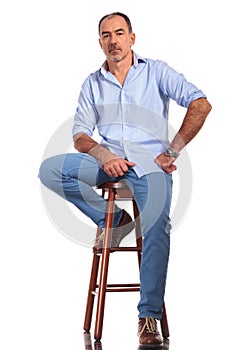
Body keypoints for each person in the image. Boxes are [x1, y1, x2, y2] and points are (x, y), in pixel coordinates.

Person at [39, 12, 211, 347]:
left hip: (151, 166)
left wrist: (172, 151)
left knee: (157, 224)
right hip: (110, 163)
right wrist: (106, 156)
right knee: (50, 170)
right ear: (100, 42)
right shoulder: (92, 83)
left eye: (119, 33)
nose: (113, 40)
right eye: (106, 35)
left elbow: (201, 104)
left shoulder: (156, 71)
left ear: (132, 38)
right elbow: (80, 136)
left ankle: (148, 316)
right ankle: (117, 220)